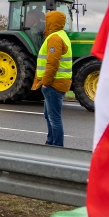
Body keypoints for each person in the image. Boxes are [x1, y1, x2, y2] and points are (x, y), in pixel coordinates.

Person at [31, 10, 72, 147]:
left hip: (53, 84)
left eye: (47, 21)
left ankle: (56, 146)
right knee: (49, 116)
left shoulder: (54, 38)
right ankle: (50, 142)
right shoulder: (61, 35)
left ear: (52, 22)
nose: (44, 23)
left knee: (54, 118)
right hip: (56, 82)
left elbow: (52, 62)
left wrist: (46, 82)